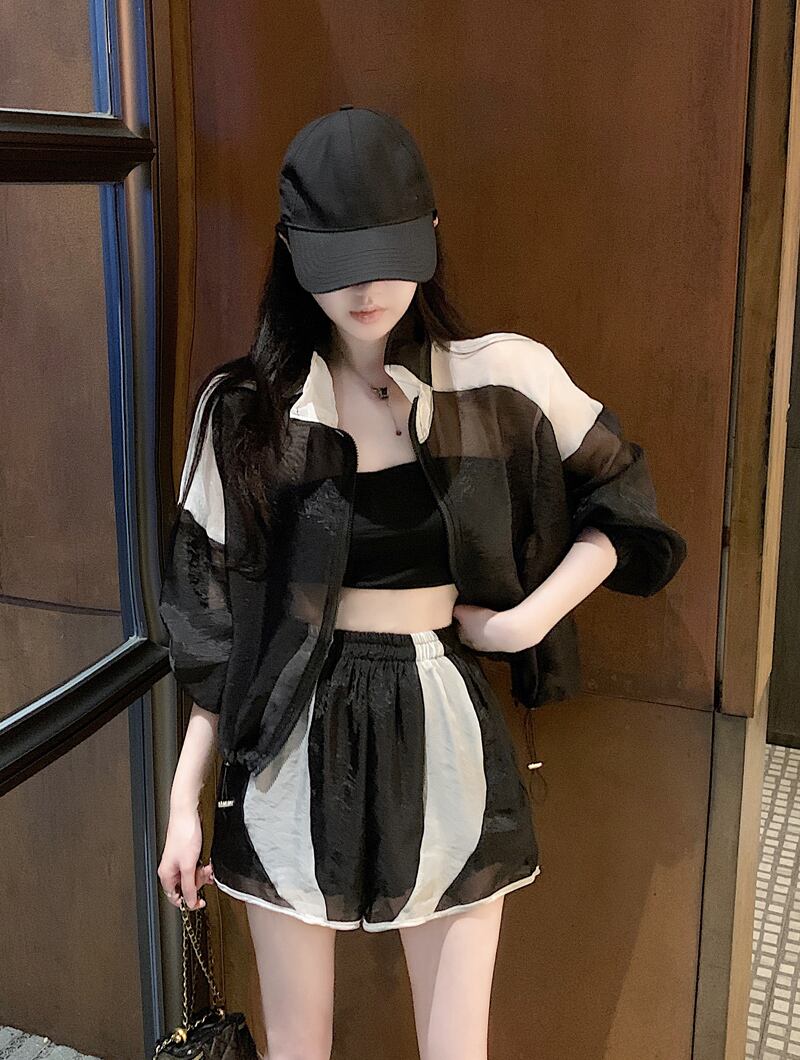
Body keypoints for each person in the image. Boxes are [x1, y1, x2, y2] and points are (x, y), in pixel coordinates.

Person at [156, 106, 687, 1060]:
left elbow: (626, 499)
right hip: (288, 734)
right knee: (298, 1046)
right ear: (292, 253)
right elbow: (210, 622)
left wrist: (524, 625)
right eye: (338, 261)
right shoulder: (244, 413)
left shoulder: (500, 381)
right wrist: (183, 800)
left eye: (389, 255)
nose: (366, 288)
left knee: (455, 1047)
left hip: (442, 718)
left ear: (431, 236)